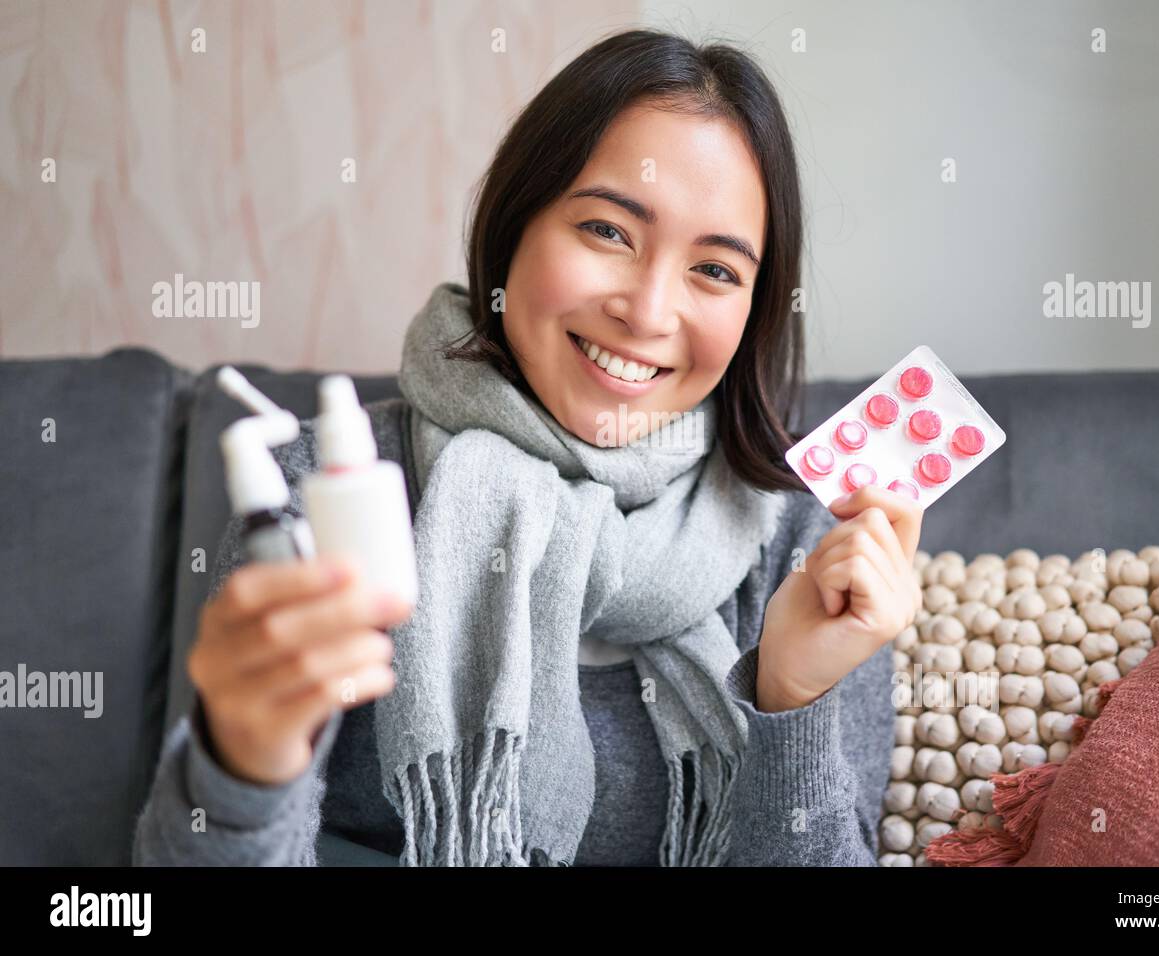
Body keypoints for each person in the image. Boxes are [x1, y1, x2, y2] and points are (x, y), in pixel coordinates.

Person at [132, 27, 924, 867]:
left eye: (716, 271)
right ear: (516, 224)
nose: (650, 312)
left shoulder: (805, 537)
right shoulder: (335, 490)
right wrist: (244, 759)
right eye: (608, 231)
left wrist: (792, 697)